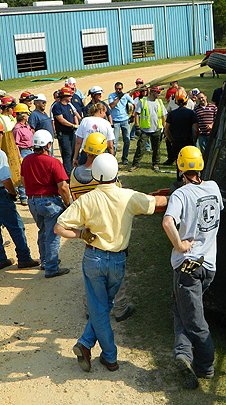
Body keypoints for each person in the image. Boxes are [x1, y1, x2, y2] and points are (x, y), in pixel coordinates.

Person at [55, 153, 168, 372]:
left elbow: (59, 228)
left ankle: (94, 348)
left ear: (95, 175)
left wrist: (81, 235)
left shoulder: (87, 199)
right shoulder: (128, 196)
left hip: (93, 258)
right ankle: (101, 352)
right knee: (104, 306)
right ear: (116, 173)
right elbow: (157, 203)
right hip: (118, 260)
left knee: (99, 307)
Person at [162, 146, 223, 389]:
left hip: (187, 267)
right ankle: (183, 355)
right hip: (209, 265)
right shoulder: (214, 187)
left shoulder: (180, 194)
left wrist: (179, 244)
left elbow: (168, 222)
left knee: (194, 317)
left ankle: (205, 365)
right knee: (183, 309)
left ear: (180, 168)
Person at [69, 132, 135, 323]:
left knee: (92, 275)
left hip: (89, 229)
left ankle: (90, 309)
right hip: (110, 228)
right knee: (117, 270)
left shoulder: (74, 174)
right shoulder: (106, 177)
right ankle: (120, 308)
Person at [0, 118, 39, 270]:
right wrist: (13, 193)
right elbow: (5, 179)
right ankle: (24, 257)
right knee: (16, 226)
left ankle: (0, 259)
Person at [21, 130, 72, 279]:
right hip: (50, 201)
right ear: (48, 145)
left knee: (43, 231)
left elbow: (23, 182)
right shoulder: (53, 162)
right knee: (53, 234)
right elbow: (63, 186)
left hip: (33, 201)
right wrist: (68, 204)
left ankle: (45, 261)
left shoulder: (27, 160)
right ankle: (51, 267)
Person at [129, 86, 166, 172]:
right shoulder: (143, 101)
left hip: (157, 129)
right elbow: (137, 114)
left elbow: (163, 116)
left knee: (156, 148)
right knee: (140, 148)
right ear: (153, 92)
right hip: (144, 130)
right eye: (158, 93)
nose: (159, 95)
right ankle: (136, 164)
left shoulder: (160, 102)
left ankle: (155, 164)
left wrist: (164, 129)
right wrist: (137, 126)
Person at [73, 103, 115, 168]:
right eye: (105, 112)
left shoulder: (84, 121)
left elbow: (78, 142)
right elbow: (110, 145)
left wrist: (75, 158)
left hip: (86, 153)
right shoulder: (106, 123)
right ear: (101, 111)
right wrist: (112, 159)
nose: (105, 115)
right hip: (101, 154)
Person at [163, 89, 198, 166]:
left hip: (176, 141)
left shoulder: (172, 114)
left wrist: (171, 140)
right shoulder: (191, 113)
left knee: (179, 163)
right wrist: (194, 140)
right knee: (188, 162)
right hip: (188, 141)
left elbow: (166, 129)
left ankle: (179, 176)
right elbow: (195, 129)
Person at [51, 86, 80, 176]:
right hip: (64, 135)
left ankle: (74, 172)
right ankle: (68, 175)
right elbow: (60, 119)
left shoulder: (69, 106)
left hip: (71, 133)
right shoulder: (57, 106)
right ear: (65, 96)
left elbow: (74, 116)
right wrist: (73, 125)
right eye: (70, 96)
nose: (71, 97)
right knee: (67, 155)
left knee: (74, 153)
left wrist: (76, 125)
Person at [108, 82, 136, 165]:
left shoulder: (126, 96)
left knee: (127, 139)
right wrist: (118, 98)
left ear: (122, 89)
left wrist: (132, 115)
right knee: (115, 141)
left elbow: (134, 104)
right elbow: (112, 105)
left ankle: (125, 158)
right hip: (115, 120)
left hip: (125, 120)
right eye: (117, 89)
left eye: (120, 89)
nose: (118, 90)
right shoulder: (111, 96)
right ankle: (113, 158)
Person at [13, 104, 34, 206]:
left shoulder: (27, 126)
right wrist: (19, 157)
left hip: (30, 150)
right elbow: (15, 145)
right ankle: (23, 196)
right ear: (23, 116)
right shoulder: (17, 129)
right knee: (23, 173)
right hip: (23, 151)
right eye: (27, 114)